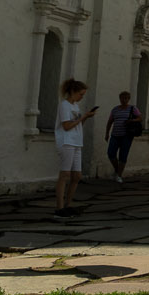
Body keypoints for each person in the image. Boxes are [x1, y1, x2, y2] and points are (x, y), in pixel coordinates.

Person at [53, 77, 97, 218]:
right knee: (64, 174)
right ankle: (59, 208)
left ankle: (68, 204)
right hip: (67, 141)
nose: (81, 97)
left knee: (77, 176)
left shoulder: (75, 106)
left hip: (77, 141)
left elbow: (76, 125)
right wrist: (82, 117)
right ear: (73, 91)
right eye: (80, 94)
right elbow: (66, 126)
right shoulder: (64, 105)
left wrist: (84, 118)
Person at [105, 91, 141, 183]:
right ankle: (117, 171)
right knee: (111, 153)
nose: (124, 100)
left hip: (127, 135)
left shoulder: (132, 108)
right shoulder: (115, 109)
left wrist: (132, 121)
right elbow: (110, 121)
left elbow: (140, 118)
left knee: (123, 155)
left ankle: (119, 175)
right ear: (120, 99)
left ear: (128, 99)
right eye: (122, 98)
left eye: (126, 98)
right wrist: (107, 133)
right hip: (115, 135)